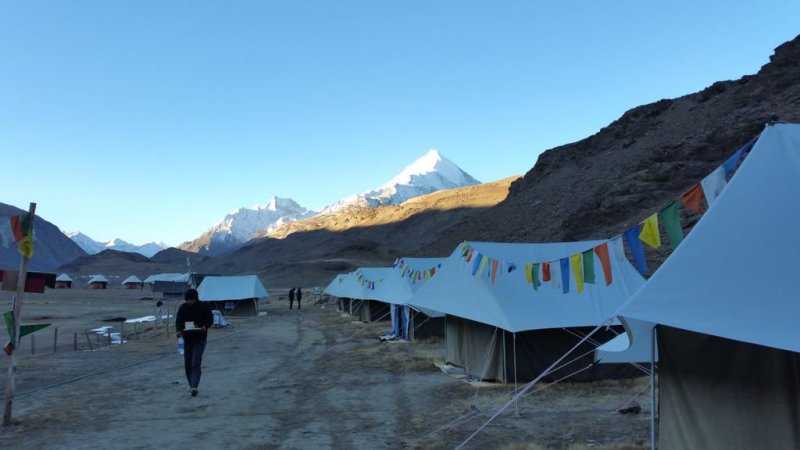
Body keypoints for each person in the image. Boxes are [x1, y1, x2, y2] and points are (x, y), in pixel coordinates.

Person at [175, 288, 213, 397]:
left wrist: (205, 327)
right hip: (187, 339)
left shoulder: (204, 307)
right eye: (188, 300)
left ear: (196, 298)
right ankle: (192, 386)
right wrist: (179, 331)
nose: (189, 302)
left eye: (192, 299)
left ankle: (194, 386)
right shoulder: (183, 308)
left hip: (200, 339)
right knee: (187, 364)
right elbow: (179, 322)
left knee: (195, 362)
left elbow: (210, 320)